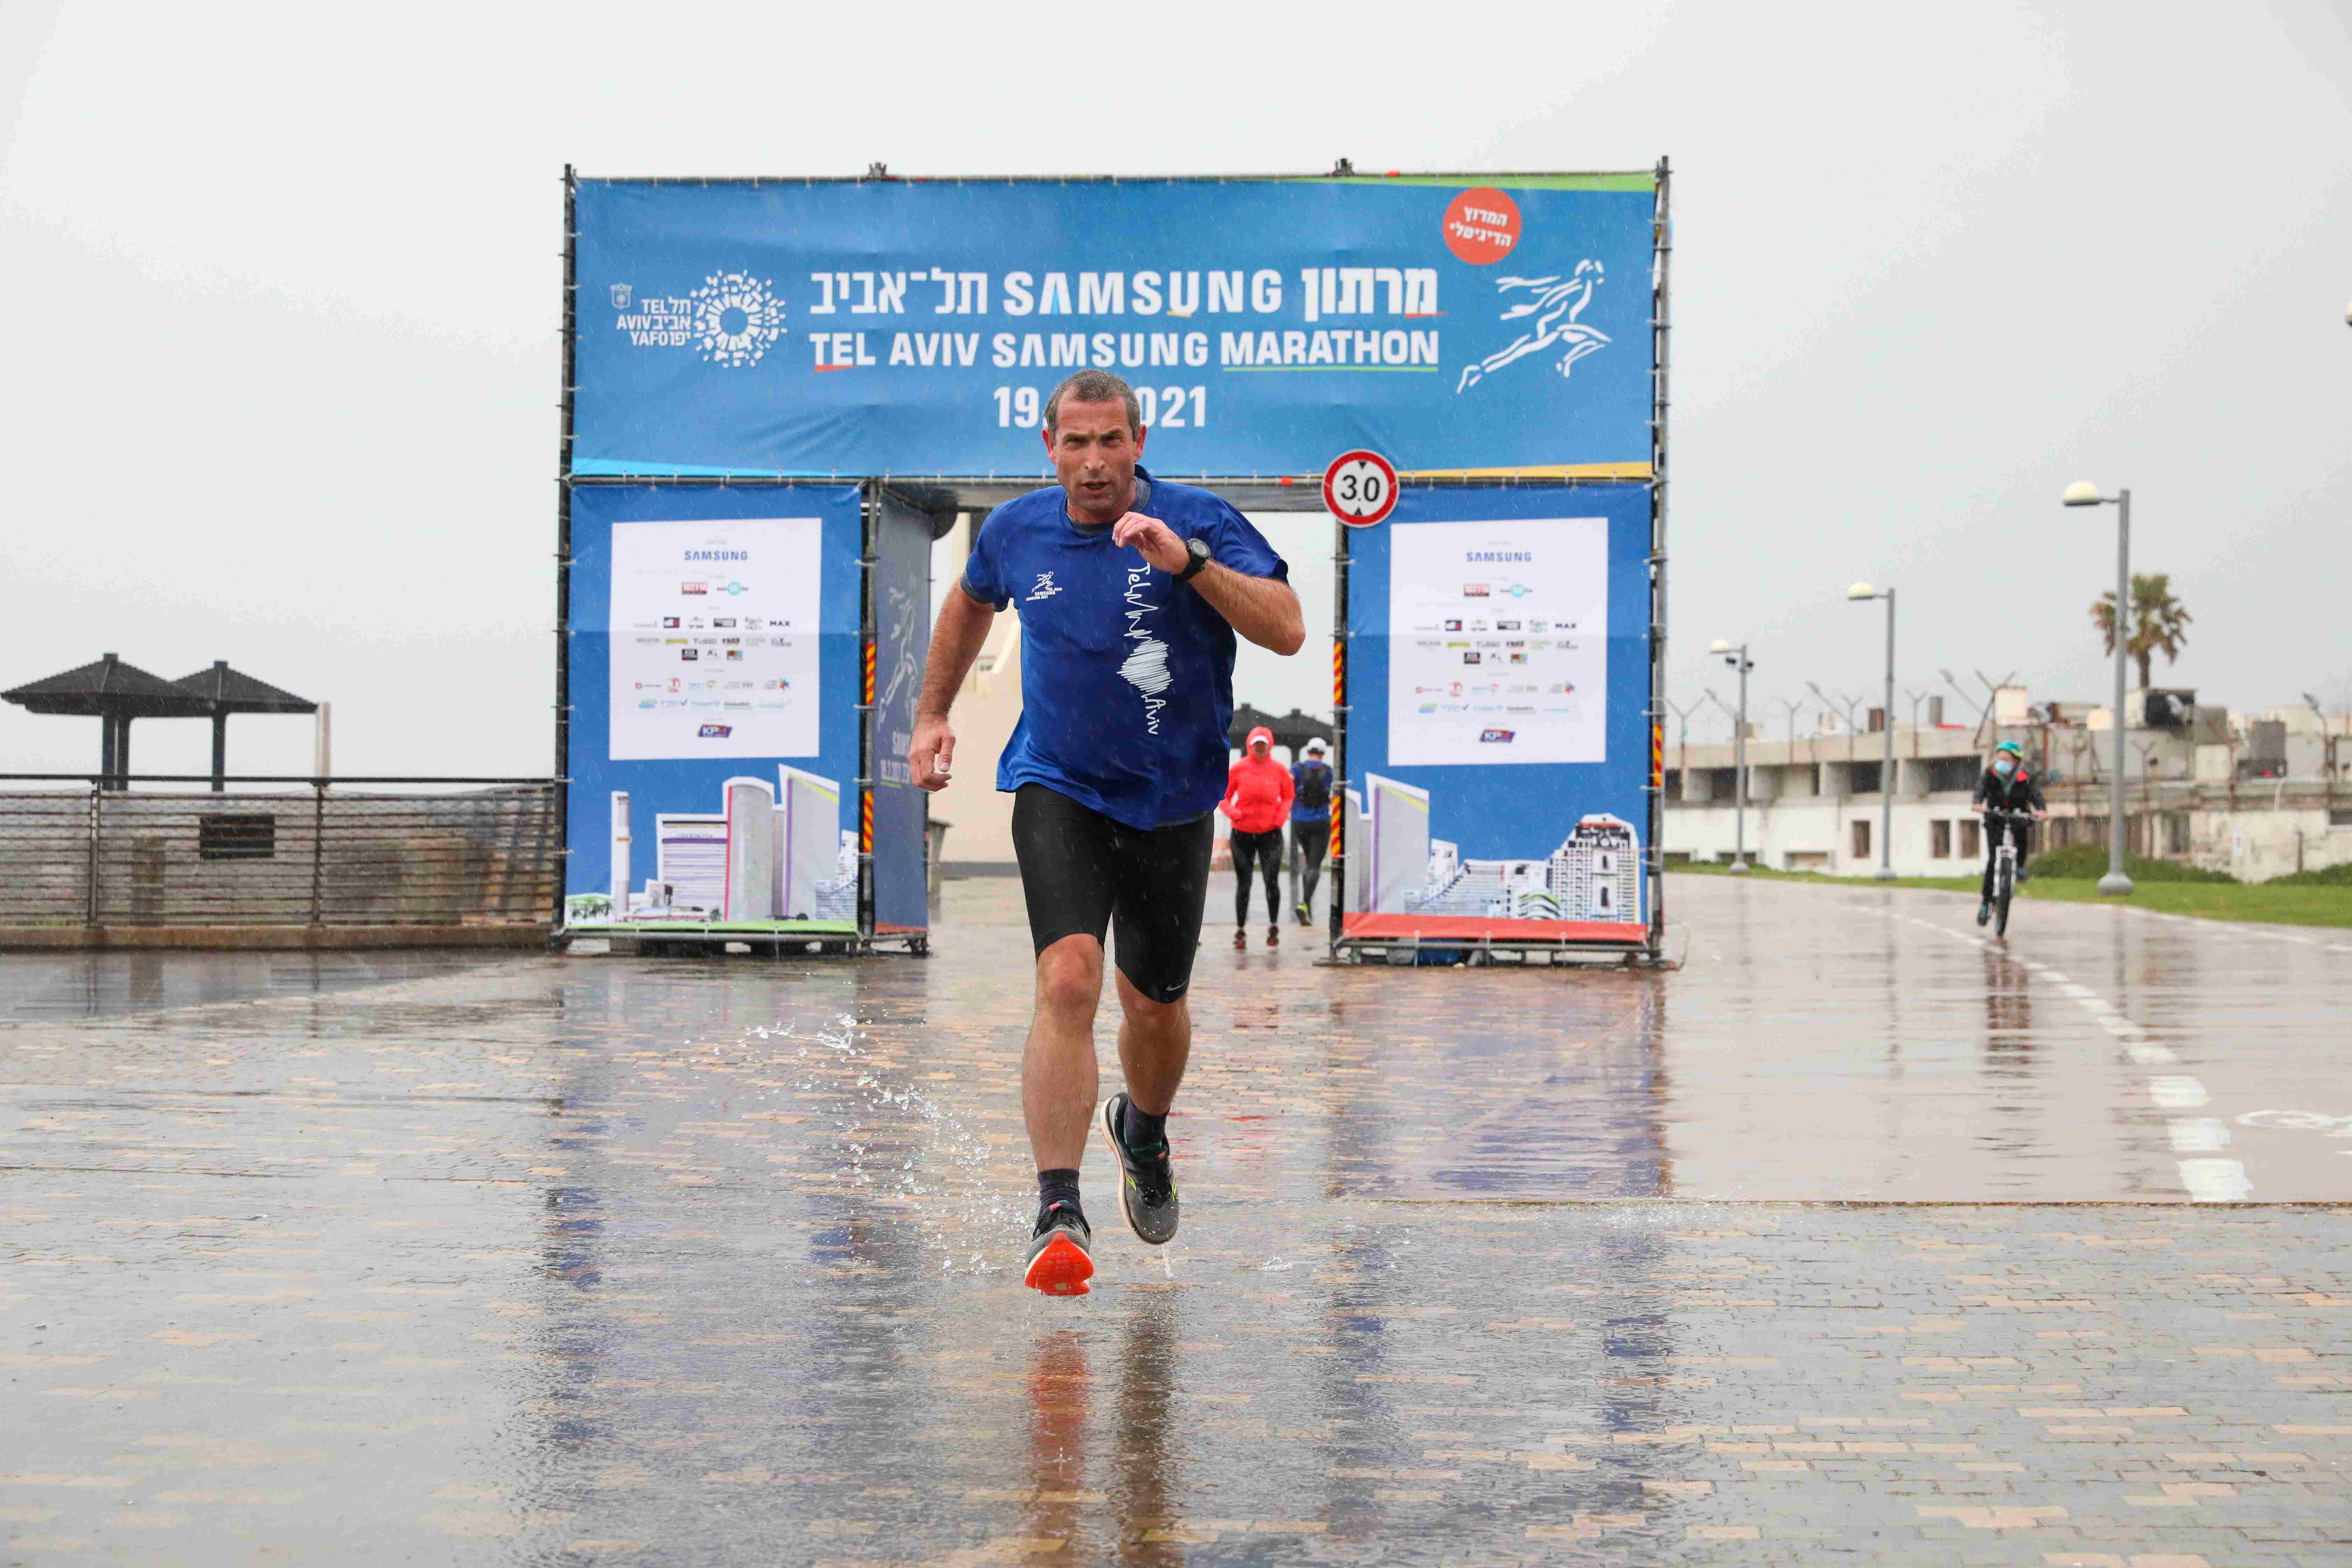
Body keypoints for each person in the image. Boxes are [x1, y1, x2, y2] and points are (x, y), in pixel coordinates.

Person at [907, 368, 1304, 1297]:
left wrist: (1189, 566)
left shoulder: (1199, 519)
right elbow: (969, 601)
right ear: (1049, 447)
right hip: (1060, 783)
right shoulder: (1016, 530)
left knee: (1154, 1007)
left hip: (1173, 798)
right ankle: (1058, 1205)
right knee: (1068, 978)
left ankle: (1145, 1131)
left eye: (1111, 441)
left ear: (1139, 442)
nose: (1094, 462)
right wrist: (932, 713)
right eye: (1076, 443)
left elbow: (1287, 629)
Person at [1219, 725, 1293, 948]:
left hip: (1271, 834)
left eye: (1264, 745)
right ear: (1250, 746)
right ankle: (1241, 931)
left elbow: (1289, 796)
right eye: (1256, 745)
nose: (1260, 748)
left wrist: (1280, 817)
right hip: (1242, 834)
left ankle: (1273, 927)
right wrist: (1234, 813)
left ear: (1270, 746)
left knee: (1271, 880)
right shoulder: (1239, 769)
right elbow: (1223, 796)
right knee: (1245, 883)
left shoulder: (1280, 770)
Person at [1970, 740, 2048, 925]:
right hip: (1995, 817)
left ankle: (2019, 867)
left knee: (2022, 839)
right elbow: (1981, 790)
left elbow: (2036, 795)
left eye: (2006, 759)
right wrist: (1978, 803)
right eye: (2000, 758)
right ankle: (1985, 902)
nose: (2002, 762)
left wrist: (2041, 810)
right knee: (1993, 860)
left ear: (2016, 761)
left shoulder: (2025, 777)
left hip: (2018, 816)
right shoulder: (1990, 774)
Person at [1289, 737, 1334, 925]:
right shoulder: (1329, 771)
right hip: (1321, 822)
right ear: (1323, 753)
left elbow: (1287, 784)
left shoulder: (1297, 768)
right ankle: (1305, 904)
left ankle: (1306, 908)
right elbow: (1335, 792)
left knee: (1309, 863)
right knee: (1315, 865)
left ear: (1308, 751)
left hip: (1300, 822)